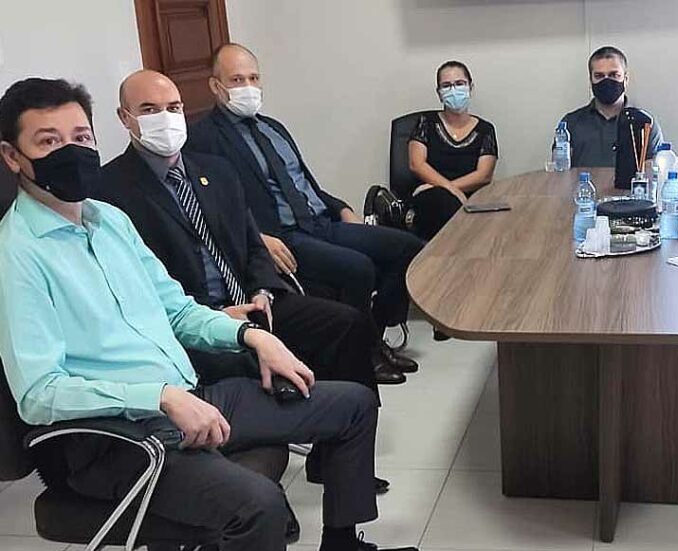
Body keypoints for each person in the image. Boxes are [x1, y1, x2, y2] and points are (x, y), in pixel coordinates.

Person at [0, 78, 420, 551]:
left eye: (80, 137)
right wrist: (161, 396)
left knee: (353, 405)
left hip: (189, 398)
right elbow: (39, 394)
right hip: (116, 439)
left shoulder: (108, 221)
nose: (72, 151)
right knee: (258, 505)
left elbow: (176, 310)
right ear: (12, 157)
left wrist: (252, 336)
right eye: (49, 142)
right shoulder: (16, 255)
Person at [96, 69, 397, 492]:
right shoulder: (108, 193)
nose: (165, 118)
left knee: (348, 324)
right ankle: (256, 484)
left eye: (173, 107)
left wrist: (261, 289)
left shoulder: (215, 171)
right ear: (124, 117)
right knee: (240, 363)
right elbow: (137, 286)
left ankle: (337, 458)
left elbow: (253, 244)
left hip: (254, 302)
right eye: (149, 109)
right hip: (194, 319)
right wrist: (214, 314)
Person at [186, 43, 424, 369]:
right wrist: (257, 237)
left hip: (320, 222)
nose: (248, 87)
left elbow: (303, 183)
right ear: (216, 86)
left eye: (253, 78)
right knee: (358, 268)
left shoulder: (273, 128)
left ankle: (374, 334)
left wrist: (341, 208)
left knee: (409, 248)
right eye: (237, 80)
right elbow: (213, 206)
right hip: (282, 235)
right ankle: (365, 355)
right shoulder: (203, 139)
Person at [407, 60, 498, 240]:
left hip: (471, 198)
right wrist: (450, 190)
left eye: (459, 83)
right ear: (439, 93)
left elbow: (484, 175)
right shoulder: (426, 122)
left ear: (470, 87)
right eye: (446, 86)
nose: (453, 90)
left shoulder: (485, 129)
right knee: (443, 203)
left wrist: (452, 189)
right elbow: (416, 164)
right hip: (430, 196)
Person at [558, 46, 663, 168]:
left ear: (625, 79)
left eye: (614, 75)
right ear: (591, 81)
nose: (606, 81)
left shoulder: (646, 124)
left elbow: (656, 172)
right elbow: (559, 171)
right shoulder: (570, 124)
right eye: (599, 76)